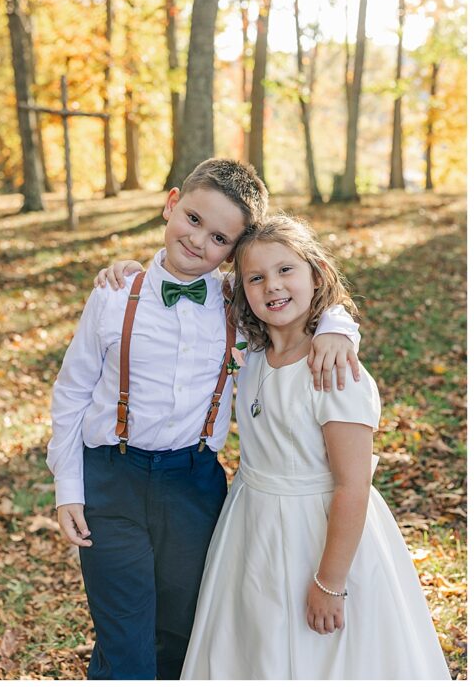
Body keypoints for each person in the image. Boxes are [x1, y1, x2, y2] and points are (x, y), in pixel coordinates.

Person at [48, 158, 361, 679]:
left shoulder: (238, 304)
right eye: (193, 219)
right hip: (111, 479)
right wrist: (68, 488)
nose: (198, 241)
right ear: (172, 204)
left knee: (185, 628)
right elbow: (71, 392)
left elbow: (299, 298)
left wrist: (337, 326)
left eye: (218, 238)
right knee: (123, 635)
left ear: (233, 254)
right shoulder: (112, 294)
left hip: (193, 485)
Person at [181, 214, 450, 679]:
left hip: (321, 533)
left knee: (320, 656)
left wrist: (330, 582)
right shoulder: (252, 357)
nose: (272, 286)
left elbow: (353, 485)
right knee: (253, 647)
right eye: (256, 277)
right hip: (251, 528)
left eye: (286, 270)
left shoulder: (333, 368)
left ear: (316, 274)